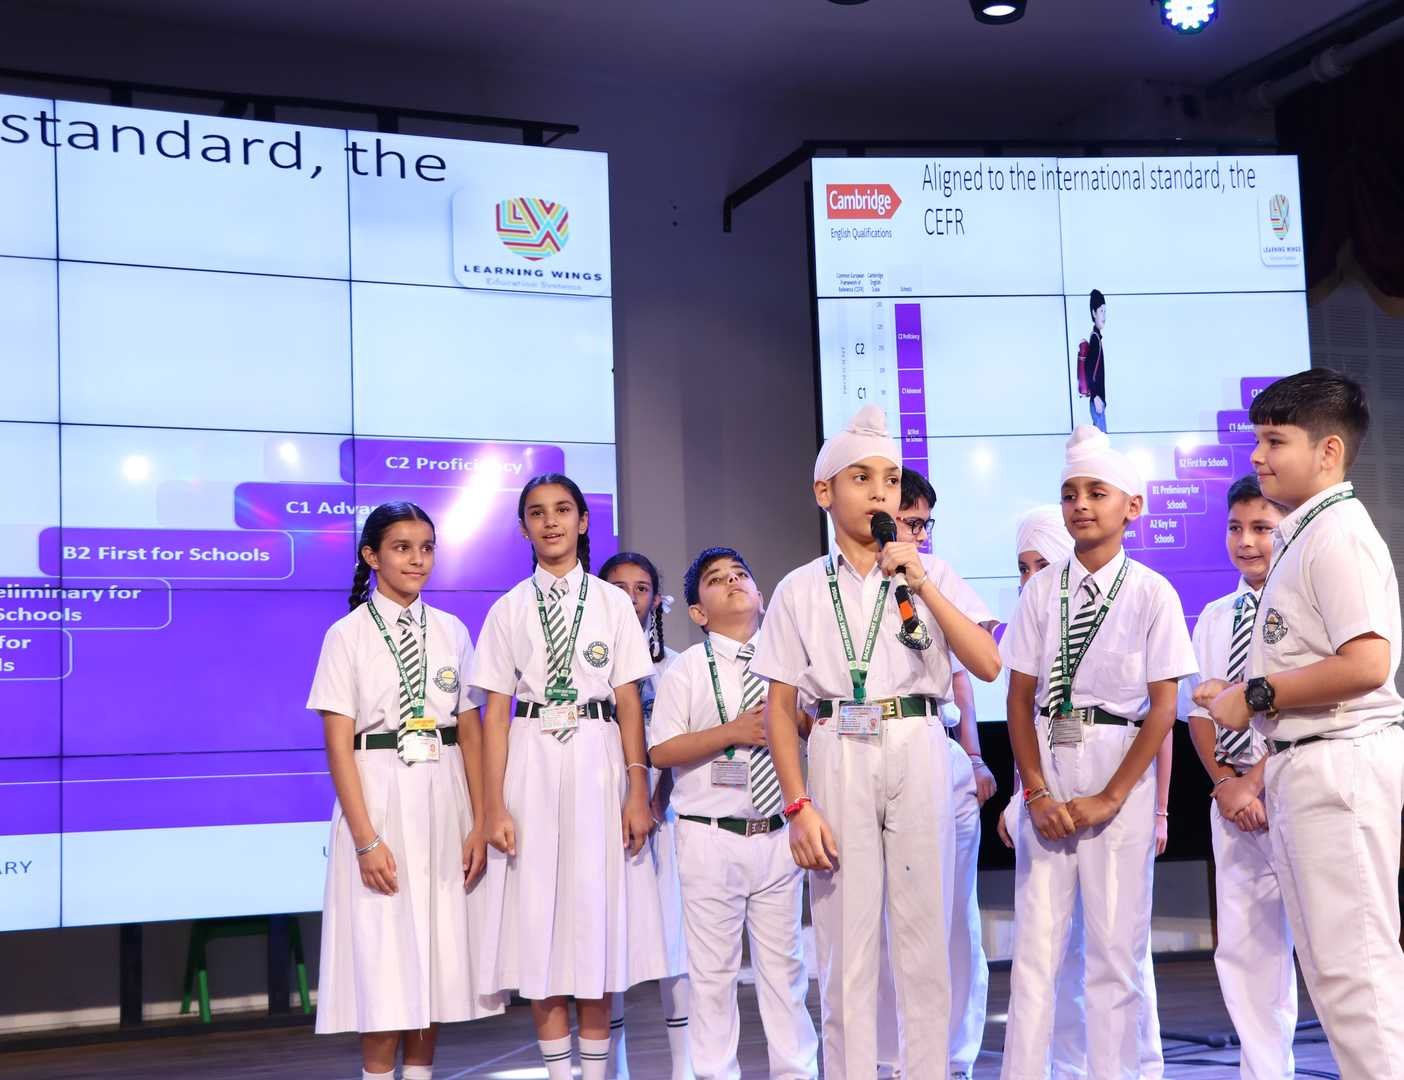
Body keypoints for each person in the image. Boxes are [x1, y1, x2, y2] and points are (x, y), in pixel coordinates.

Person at [751, 405, 1002, 1078]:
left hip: (918, 738)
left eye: (890, 480)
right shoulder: (800, 589)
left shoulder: (930, 574)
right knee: (846, 947)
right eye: (861, 478)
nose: (879, 493)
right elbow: (779, 709)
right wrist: (798, 806)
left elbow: (986, 663)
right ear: (824, 491)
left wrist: (919, 580)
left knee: (925, 940)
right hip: (838, 742)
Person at [1200, 369, 1404, 1079]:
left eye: (1274, 441)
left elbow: (1369, 662)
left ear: (1328, 452)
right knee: (1335, 971)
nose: (1258, 457)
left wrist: (1255, 694)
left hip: (1338, 761)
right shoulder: (1305, 533)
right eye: (1257, 440)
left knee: (1356, 973)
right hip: (1308, 760)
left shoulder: (1338, 535)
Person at [1000, 428, 1195, 1080]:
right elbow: (1019, 698)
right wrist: (1035, 791)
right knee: (1036, 952)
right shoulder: (1040, 591)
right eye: (1069, 494)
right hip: (1049, 764)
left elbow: (1162, 708)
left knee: (1115, 953)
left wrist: (1112, 796)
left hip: (1120, 770)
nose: (1080, 504)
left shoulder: (1152, 592)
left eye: (1096, 492)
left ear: (1132, 507)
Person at [472, 474, 668, 1080]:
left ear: (583, 522)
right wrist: (493, 807)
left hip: (597, 757)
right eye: (537, 513)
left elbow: (629, 702)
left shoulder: (611, 603)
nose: (551, 521)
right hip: (530, 759)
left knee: (594, 924)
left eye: (562, 510)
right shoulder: (508, 609)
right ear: (524, 528)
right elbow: (495, 714)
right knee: (539, 926)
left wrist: (637, 790)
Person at [308, 501, 503, 1080]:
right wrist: (365, 839)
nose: (417, 560)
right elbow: (338, 744)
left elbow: (471, 732)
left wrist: (479, 821)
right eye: (401, 548)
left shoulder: (452, 630)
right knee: (383, 956)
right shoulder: (347, 635)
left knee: (434, 953)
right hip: (379, 794)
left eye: (426, 548)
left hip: (444, 796)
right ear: (372, 557)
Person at [649, 546, 819, 1080]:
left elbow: (817, 728)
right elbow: (661, 750)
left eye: (741, 574)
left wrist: (799, 720)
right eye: (717, 579)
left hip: (777, 832)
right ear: (698, 612)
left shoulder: (791, 665)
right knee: (712, 975)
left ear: (761, 596)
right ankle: (714, 1072)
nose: (732, 582)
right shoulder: (686, 670)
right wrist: (733, 731)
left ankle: (796, 1071)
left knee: (785, 969)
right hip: (710, 835)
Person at [875, 468, 995, 1080]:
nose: (917, 535)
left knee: (951, 914)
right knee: (880, 917)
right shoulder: (842, 581)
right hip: (865, 749)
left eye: (924, 524)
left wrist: (973, 756)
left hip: (935, 747)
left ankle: (953, 1055)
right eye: (907, 522)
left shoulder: (937, 574)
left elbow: (972, 672)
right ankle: (889, 1054)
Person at [1180, 475, 1296, 1079]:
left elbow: (1308, 708)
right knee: (1245, 949)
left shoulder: (1301, 608)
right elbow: (1198, 715)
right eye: (1235, 528)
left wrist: (1257, 784)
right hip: (1233, 797)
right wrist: (1228, 784)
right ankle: (1264, 1071)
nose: (1246, 541)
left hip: (1292, 786)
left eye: (1261, 528)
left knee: (1325, 946)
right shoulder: (1215, 616)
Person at [601, 551, 692, 1080]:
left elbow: (684, 743)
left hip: (665, 816)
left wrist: (655, 803)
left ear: (656, 600)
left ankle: (684, 1066)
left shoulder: (675, 665)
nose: (630, 598)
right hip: (604, 814)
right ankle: (612, 1066)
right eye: (618, 588)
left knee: (672, 939)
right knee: (608, 938)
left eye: (640, 589)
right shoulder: (586, 668)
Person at [1084, 290, 1108, 434]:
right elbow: (1089, 370)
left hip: (1098, 400)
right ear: (1094, 313)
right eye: (1101, 311)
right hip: (1097, 400)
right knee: (1102, 440)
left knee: (1099, 440)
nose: (1104, 316)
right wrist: (1096, 396)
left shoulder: (1096, 337)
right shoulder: (1095, 339)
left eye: (1105, 311)